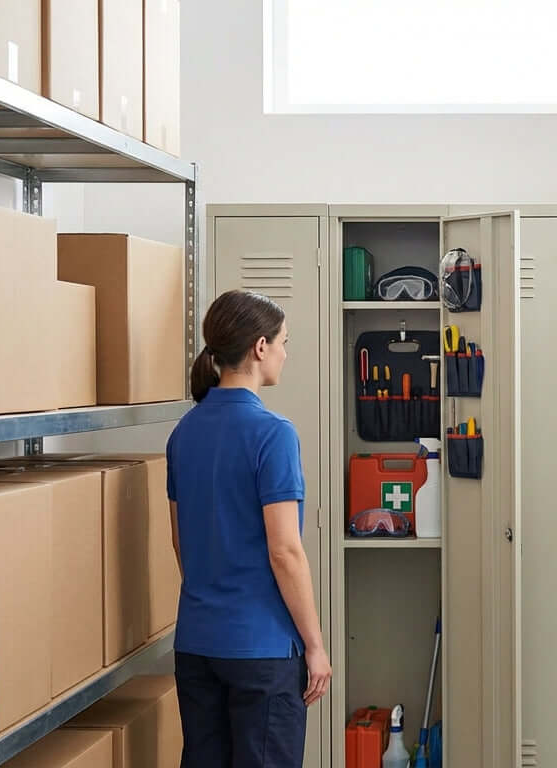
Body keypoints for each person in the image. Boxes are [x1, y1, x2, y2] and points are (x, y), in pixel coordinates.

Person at [166, 289, 332, 767]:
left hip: (197, 645)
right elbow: (285, 552)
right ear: (260, 348)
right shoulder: (272, 433)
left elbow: (182, 541)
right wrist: (315, 647)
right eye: (283, 341)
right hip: (261, 652)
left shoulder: (185, 432)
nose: (285, 352)